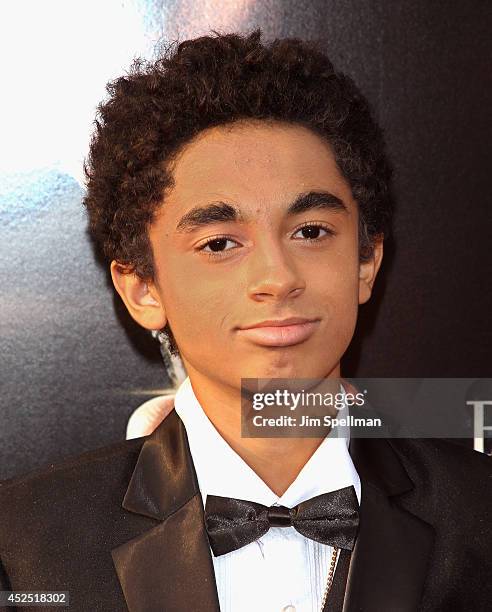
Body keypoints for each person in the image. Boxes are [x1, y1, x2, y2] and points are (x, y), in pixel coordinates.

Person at [0, 29, 490, 612]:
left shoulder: (480, 515)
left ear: (366, 262)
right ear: (141, 287)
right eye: (219, 243)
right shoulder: (24, 544)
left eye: (310, 232)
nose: (277, 277)